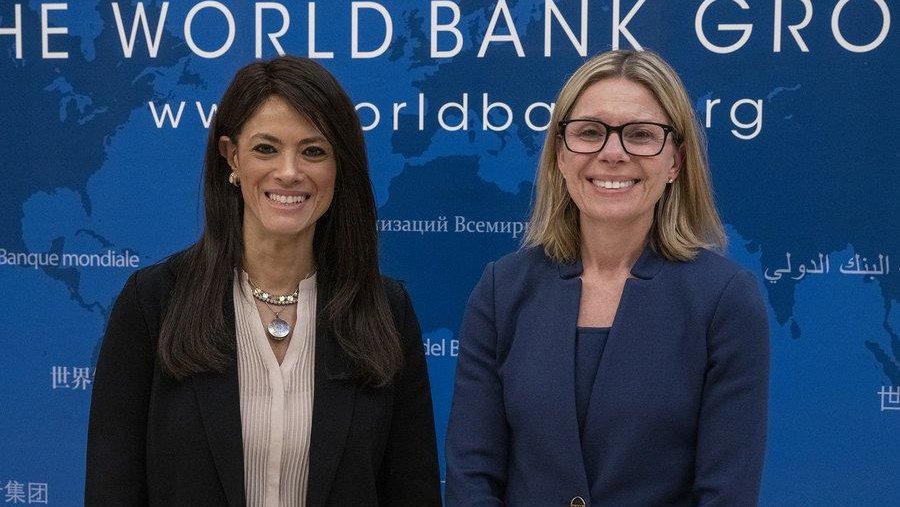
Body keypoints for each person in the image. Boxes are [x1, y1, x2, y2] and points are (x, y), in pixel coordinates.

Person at [85, 56, 441, 506]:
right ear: (231, 156)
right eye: (266, 149)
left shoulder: (387, 310)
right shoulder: (153, 302)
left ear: (339, 166)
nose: (289, 172)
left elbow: (412, 490)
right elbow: (112, 489)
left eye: (313, 151)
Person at [445, 49, 769, 507]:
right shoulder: (503, 290)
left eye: (640, 134)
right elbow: (472, 477)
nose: (612, 153)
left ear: (675, 162)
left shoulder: (724, 301)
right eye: (589, 132)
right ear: (560, 156)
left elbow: (725, 494)